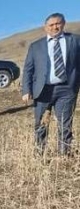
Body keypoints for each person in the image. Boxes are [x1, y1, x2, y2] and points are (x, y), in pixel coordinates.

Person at [22, 13, 80, 156]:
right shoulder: (36, 46)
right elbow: (28, 69)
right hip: (42, 90)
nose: (55, 27)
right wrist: (26, 89)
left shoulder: (75, 41)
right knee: (41, 124)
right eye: (51, 25)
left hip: (67, 89)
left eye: (58, 23)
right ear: (45, 27)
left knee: (65, 124)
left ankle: (64, 155)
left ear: (64, 23)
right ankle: (39, 153)